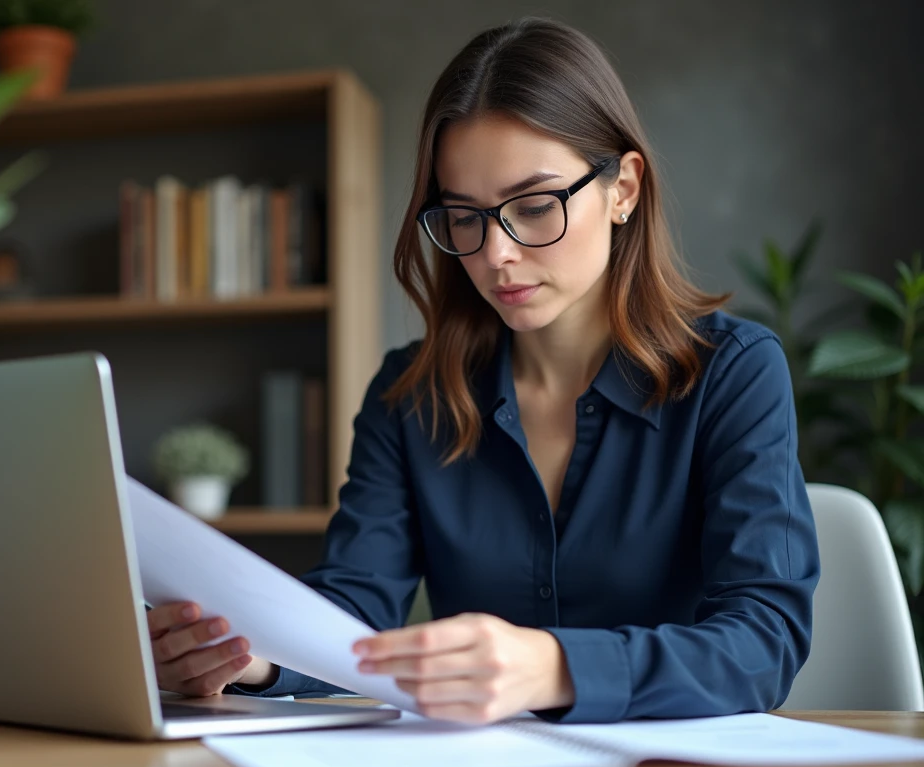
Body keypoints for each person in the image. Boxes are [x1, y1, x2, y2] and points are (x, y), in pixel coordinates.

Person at [144, 16, 820, 724]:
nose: (494, 253)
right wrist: (252, 658)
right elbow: (355, 612)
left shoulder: (733, 373)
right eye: (463, 217)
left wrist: (553, 669)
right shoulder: (410, 397)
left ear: (622, 188)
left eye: (533, 207)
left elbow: (764, 639)